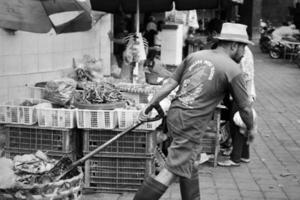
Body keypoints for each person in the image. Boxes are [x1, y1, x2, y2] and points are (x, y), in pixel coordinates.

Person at [133, 22, 256, 200]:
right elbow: (245, 108)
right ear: (234, 45)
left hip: (176, 115)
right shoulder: (233, 69)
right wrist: (251, 128)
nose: (244, 53)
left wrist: (149, 106)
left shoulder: (196, 56)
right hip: (191, 121)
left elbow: (170, 84)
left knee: (190, 163)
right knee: (170, 171)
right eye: (243, 47)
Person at [218, 45, 257, 167]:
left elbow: (246, 75)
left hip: (242, 93)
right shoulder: (243, 51)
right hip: (243, 92)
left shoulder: (243, 52)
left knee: (237, 124)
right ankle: (245, 155)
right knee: (242, 122)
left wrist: (245, 96)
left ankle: (235, 158)